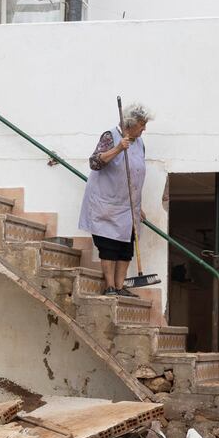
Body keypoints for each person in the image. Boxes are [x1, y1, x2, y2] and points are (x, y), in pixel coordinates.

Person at [79, 102, 153, 297]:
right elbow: (95, 162)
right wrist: (119, 148)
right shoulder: (111, 136)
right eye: (142, 124)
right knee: (108, 246)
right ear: (130, 123)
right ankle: (110, 286)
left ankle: (120, 287)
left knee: (126, 247)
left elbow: (135, 175)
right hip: (107, 202)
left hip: (128, 204)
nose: (144, 128)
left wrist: (138, 204)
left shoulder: (140, 143)